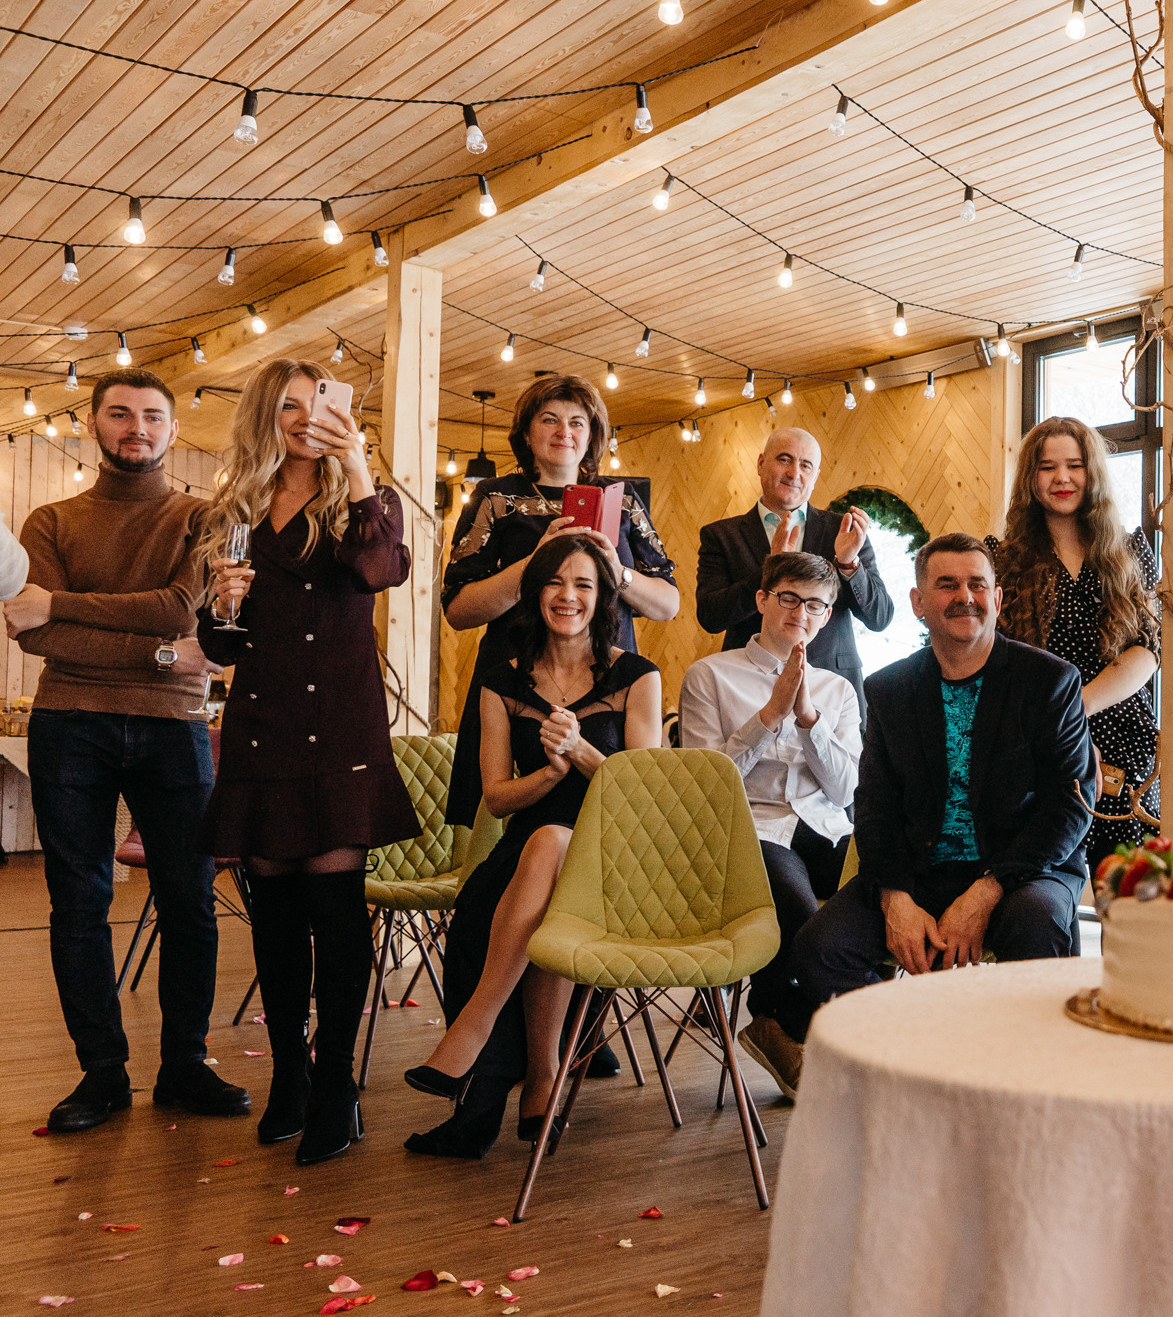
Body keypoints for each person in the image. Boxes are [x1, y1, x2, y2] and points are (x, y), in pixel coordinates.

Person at [5, 368, 245, 1134]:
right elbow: (33, 633)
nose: (134, 428)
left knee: (189, 901)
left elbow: (181, 607)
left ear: (173, 432)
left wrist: (71, 609)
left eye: (150, 417)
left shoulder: (201, 516)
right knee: (79, 901)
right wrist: (162, 649)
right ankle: (102, 1074)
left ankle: (184, 1066)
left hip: (174, 728)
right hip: (68, 722)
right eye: (119, 415)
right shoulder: (49, 521)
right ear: (93, 427)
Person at [194, 361, 414, 1166]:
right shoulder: (233, 512)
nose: (301, 419)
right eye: (286, 406)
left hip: (340, 729)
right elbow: (220, 648)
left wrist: (356, 463)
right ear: (264, 415)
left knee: (336, 910)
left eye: (317, 406)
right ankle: (290, 1073)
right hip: (262, 727)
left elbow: (378, 571)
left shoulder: (367, 503)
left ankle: (335, 1087)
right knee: (278, 920)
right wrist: (221, 607)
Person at [782, 534, 1092, 1057]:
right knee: (819, 949)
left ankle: (1023, 1076)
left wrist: (986, 891)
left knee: (1038, 925)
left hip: (1023, 871)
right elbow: (874, 808)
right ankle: (913, 1062)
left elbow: (1070, 806)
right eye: (946, 585)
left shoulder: (1050, 681)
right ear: (918, 603)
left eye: (977, 584)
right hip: (919, 873)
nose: (964, 597)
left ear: (999, 598)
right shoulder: (888, 690)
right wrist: (894, 897)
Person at [405, 534, 664, 1158]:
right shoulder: (501, 681)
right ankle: (541, 1075)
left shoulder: (637, 676)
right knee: (512, 884)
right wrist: (547, 775)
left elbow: (643, 792)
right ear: (534, 591)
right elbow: (495, 797)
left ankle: (476, 1027)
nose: (568, 596)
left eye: (584, 584)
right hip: (528, 843)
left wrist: (577, 752)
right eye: (555, 583)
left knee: (552, 846)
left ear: (603, 596)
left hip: (611, 847)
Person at [441, 375, 675, 828]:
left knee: (612, 806)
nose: (563, 431)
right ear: (526, 432)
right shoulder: (495, 499)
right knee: (502, 817)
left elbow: (667, 605)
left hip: (607, 675)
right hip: (516, 678)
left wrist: (618, 572)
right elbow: (458, 610)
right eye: (548, 420)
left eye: (576, 422)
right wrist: (533, 565)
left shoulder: (622, 502)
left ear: (592, 435)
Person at [679, 551, 862, 1098]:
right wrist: (768, 718)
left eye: (814, 604)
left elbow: (845, 791)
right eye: (788, 598)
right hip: (748, 827)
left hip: (826, 828)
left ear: (827, 615)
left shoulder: (839, 690)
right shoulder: (710, 675)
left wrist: (808, 721)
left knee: (887, 886)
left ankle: (774, 1020)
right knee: (798, 903)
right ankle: (807, 1032)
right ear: (762, 600)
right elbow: (707, 788)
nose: (800, 613)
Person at [991, 416, 1161, 868]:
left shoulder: (1131, 550)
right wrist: (1058, 727)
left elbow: (1148, 650)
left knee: (1125, 893)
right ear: (1030, 478)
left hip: (1122, 737)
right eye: (1047, 467)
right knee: (1041, 890)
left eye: (1075, 465)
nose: (1062, 478)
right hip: (1036, 742)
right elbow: (997, 658)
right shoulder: (1000, 559)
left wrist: (1073, 710)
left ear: (1094, 473)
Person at [695, 427, 893, 698]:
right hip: (746, 687)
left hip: (831, 686)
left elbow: (880, 618)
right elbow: (710, 616)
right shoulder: (720, 536)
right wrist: (770, 567)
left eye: (806, 465)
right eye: (784, 459)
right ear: (761, 463)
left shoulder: (843, 531)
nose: (794, 473)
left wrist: (848, 564)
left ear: (815, 477)